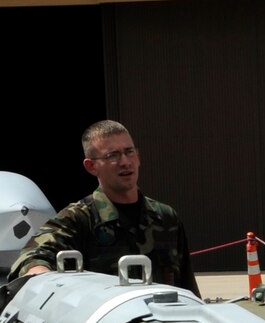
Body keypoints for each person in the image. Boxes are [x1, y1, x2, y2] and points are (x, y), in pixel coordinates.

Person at [8, 120, 200, 295]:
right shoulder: (79, 218)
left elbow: (186, 287)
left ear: (138, 157)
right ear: (91, 166)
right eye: (112, 155)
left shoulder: (166, 218)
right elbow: (31, 257)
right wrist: (41, 273)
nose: (125, 162)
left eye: (129, 152)